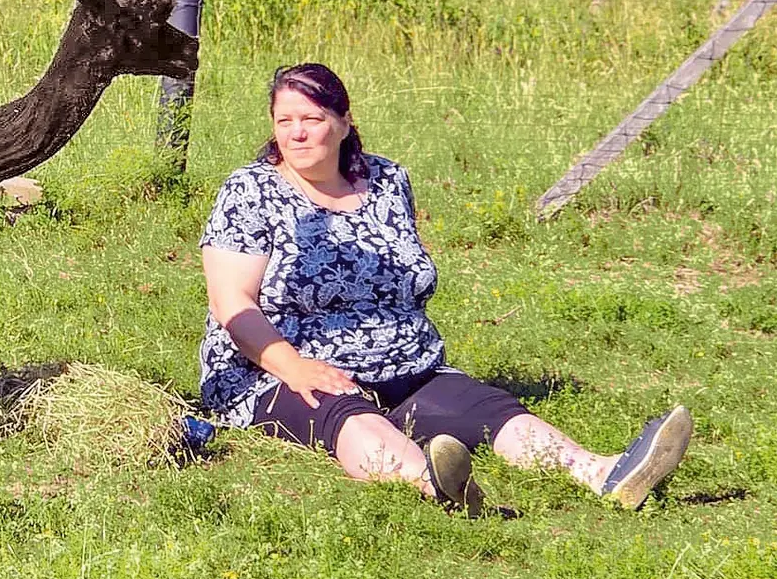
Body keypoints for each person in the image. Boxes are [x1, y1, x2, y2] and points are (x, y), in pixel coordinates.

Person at [198, 63, 693, 516]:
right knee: (345, 416)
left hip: (406, 366)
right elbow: (231, 300)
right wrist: (294, 365)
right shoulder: (251, 191)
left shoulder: (387, 179)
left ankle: (604, 474)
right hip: (282, 369)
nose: (297, 133)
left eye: (311, 117)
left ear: (344, 121)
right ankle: (435, 483)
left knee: (493, 411)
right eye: (285, 121)